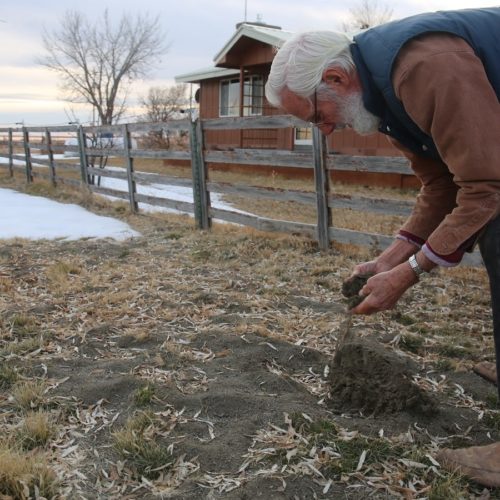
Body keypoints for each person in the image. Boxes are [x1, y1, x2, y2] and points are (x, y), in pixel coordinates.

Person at [265, 7, 500, 488]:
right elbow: (440, 184)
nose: (326, 130)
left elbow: (485, 186)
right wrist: (389, 258)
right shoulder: (382, 96)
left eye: (318, 115)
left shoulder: (424, 68)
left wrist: (411, 271)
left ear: (335, 76)